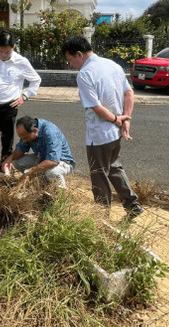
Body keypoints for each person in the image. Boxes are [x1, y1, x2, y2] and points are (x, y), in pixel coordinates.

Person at [61, 35, 143, 219]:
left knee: (99, 175)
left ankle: (101, 217)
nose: (71, 64)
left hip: (99, 135)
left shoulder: (85, 74)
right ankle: (132, 204)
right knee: (114, 167)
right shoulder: (112, 65)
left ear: (80, 54)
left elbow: (96, 107)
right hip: (115, 134)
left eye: (70, 59)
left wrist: (117, 119)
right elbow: (128, 92)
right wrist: (125, 119)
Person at [0, 29, 41, 171]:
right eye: (0, 51)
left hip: (8, 109)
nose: (3, 55)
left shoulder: (21, 62)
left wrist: (24, 96)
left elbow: (36, 80)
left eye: (7, 52)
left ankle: (2, 172)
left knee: (7, 142)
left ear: (13, 48)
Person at [0, 116, 75, 189]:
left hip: (62, 162)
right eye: (21, 138)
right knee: (17, 162)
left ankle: (59, 195)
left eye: (25, 138)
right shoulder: (28, 132)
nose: (23, 141)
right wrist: (8, 160)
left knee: (52, 172)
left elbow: (53, 161)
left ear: (35, 131)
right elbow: (20, 150)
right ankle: (40, 183)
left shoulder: (50, 131)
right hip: (43, 159)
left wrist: (29, 171)